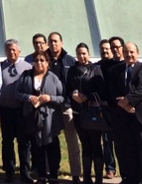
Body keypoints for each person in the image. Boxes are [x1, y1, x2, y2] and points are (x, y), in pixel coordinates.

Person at [106, 42, 142, 184]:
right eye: (126, 52)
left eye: (131, 52)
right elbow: (112, 91)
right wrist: (124, 105)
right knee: (127, 152)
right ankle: (131, 179)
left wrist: (128, 100)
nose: (129, 55)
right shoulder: (115, 70)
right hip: (124, 118)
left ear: (138, 53)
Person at [15, 52, 64, 184]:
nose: (39, 63)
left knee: (52, 146)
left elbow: (62, 97)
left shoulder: (53, 78)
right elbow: (17, 93)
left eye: (42, 60)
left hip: (49, 118)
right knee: (37, 147)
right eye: (36, 60)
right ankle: (41, 175)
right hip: (31, 117)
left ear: (47, 62)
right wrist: (28, 98)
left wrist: (50, 98)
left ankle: (53, 175)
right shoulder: (26, 76)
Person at [69, 43, 106, 184]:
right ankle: (86, 177)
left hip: (93, 112)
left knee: (95, 143)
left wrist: (87, 97)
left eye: (84, 53)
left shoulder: (95, 69)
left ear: (88, 54)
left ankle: (98, 178)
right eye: (79, 53)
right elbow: (68, 88)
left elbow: (102, 90)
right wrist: (73, 95)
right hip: (78, 112)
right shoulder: (72, 70)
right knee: (85, 143)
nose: (82, 56)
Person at [47, 32, 81, 184]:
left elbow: (74, 83)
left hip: (67, 106)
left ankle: (75, 174)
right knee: (49, 140)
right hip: (49, 107)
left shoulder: (69, 60)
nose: (53, 44)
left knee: (72, 141)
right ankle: (50, 172)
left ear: (61, 42)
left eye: (55, 41)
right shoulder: (44, 59)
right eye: (51, 41)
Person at [0, 39, 31, 183]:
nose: (11, 52)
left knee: (24, 143)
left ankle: (25, 173)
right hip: (6, 111)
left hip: (22, 111)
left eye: (14, 50)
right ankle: (9, 172)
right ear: (5, 52)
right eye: (8, 50)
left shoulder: (28, 67)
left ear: (19, 51)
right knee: (7, 142)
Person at [97, 41, 116, 181]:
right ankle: (110, 168)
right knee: (107, 140)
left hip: (117, 107)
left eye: (107, 49)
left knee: (121, 140)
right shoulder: (97, 66)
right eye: (102, 49)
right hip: (102, 107)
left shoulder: (118, 65)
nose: (104, 51)